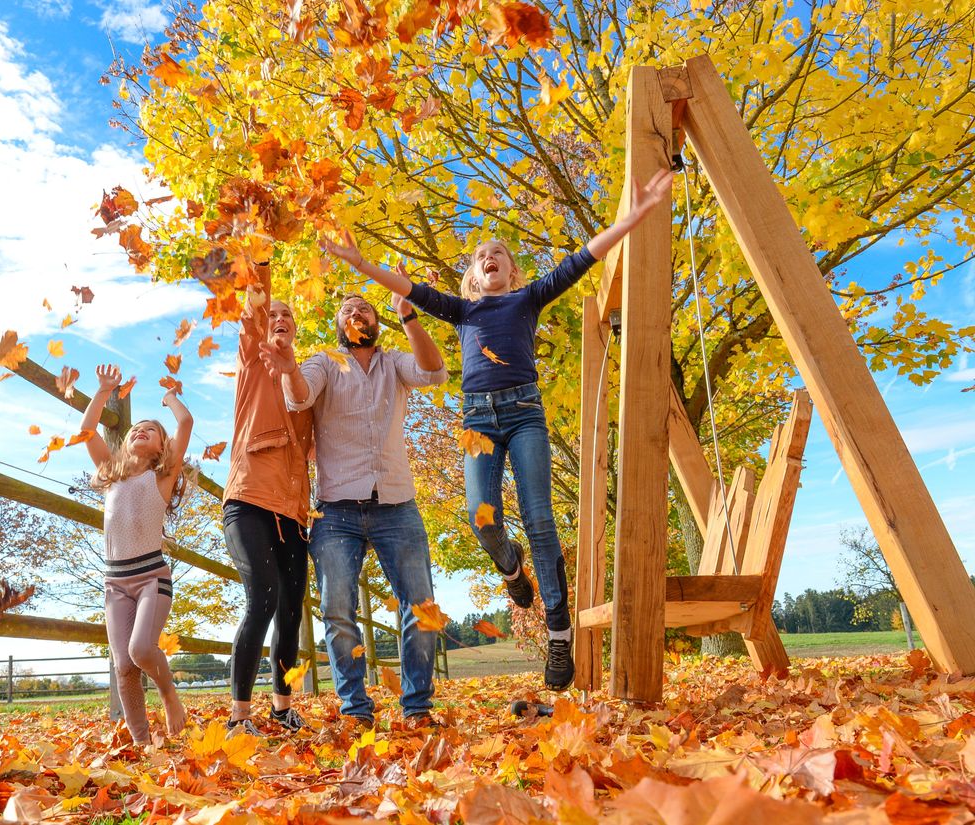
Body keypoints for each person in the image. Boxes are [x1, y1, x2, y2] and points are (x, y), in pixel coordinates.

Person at [319, 170, 675, 691]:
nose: (491, 258)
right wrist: (362, 265)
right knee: (480, 516)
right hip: (478, 419)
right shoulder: (462, 311)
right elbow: (409, 288)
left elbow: (580, 261)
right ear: (471, 276)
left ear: (510, 270)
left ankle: (558, 634)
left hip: (525, 412)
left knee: (539, 518)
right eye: (482, 255)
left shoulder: (527, 299)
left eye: (500, 254)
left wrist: (630, 219)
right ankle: (513, 571)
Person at [260, 292, 448, 728]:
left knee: (420, 604)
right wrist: (288, 368)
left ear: (377, 321)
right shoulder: (325, 362)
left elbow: (434, 372)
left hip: (396, 503)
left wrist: (409, 316)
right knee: (338, 609)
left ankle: (417, 708)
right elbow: (299, 396)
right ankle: (356, 710)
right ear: (339, 324)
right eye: (346, 309)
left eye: (363, 307)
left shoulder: (394, 362)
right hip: (337, 510)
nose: (356, 312)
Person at [221, 261, 315, 737]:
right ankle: (239, 717)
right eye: (274, 314)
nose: (279, 319)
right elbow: (255, 310)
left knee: (291, 607)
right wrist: (261, 262)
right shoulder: (253, 362)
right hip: (249, 499)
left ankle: (282, 708)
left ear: (296, 331)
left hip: (293, 513)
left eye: (289, 317)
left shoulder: (303, 384)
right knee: (263, 593)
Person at [80, 367, 192, 744]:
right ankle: (143, 745)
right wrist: (103, 391)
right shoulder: (111, 475)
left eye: (151, 429)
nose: (140, 430)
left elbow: (186, 422)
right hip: (115, 583)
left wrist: (170, 398)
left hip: (151, 579)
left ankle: (168, 693)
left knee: (142, 648)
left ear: (163, 447)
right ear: (125, 444)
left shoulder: (162, 477)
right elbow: (87, 431)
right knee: (124, 667)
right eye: (134, 429)